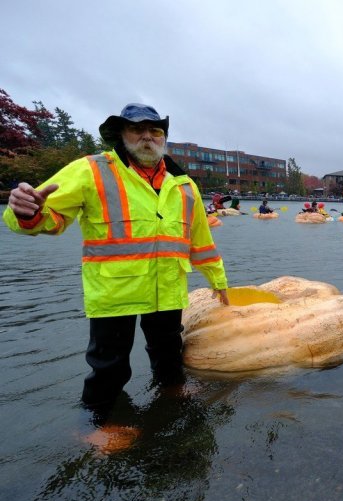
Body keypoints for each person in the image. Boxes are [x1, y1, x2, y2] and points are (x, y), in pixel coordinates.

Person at [2, 103, 229, 418]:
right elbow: (49, 217)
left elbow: (201, 242)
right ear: (121, 135)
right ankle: (100, 420)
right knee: (109, 363)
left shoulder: (185, 185)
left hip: (168, 285)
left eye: (155, 130)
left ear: (163, 138)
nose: (147, 136)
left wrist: (218, 280)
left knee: (168, 353)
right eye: (137, 129)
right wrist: (25, 212)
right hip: (114, 290)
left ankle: (172, 392)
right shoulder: (91, 169)